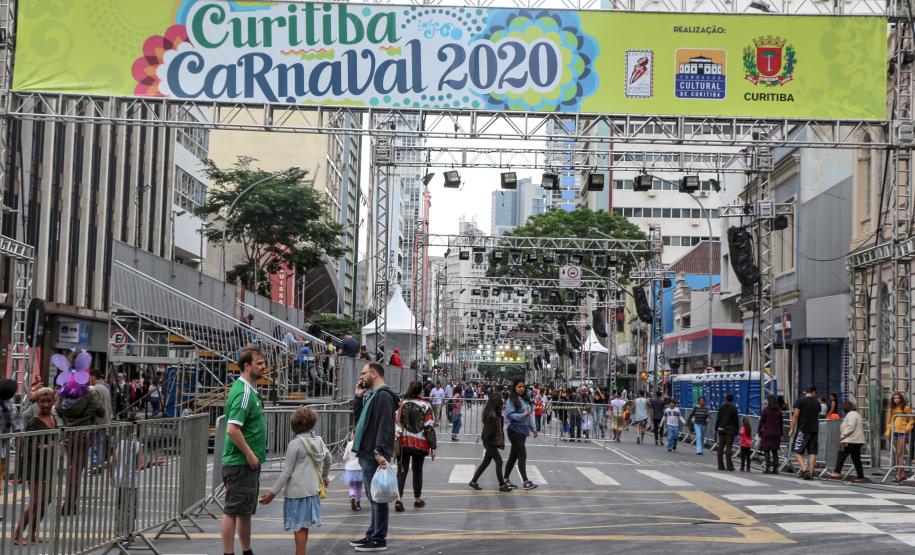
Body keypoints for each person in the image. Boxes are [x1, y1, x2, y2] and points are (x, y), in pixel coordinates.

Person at [260, 407, 331, 555]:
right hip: (312, 491)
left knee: (298, 527)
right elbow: (329, 459)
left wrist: (272, 493)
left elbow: (287, 472)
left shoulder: (295, 444)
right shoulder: (318, 441)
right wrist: (324, 477)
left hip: (297, 492)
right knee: (304, 526)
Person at [221, 347, 268, 555]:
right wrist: (249, 454)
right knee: (233, 511)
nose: (264, 367)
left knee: (244, 511)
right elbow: (232, 429)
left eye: (264, 362)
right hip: (240, 463)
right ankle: (229, 552)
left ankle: (246, 550)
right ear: (247, 366)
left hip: (245, 463)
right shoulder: (244, 392)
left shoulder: (248, 390)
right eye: (259, 363)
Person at [350, 362, 398, 552]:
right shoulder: (373, 396)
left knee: (377, 498)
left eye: (363, 373)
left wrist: (379, 451)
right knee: (373, 497)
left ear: (373, 373)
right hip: (367, 451)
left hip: (373, 453)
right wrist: (358, 398)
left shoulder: (383, 396)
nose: (361, 377)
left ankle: (378, 538)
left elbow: (384, 426)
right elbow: (359, 420)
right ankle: (372, 533)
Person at [111, 413, 166, 548]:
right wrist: (154, 463)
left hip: (119, 479)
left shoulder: (120, 443)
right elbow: (140, 465)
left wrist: (111, 477)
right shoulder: (137, 445)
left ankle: (118, 533)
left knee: (119, 507)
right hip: (131, 481)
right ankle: (128, 534)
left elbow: (114, 461)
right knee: (130, 509)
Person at [13, 387, 58, 545]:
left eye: (48, 401)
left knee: (47, 500)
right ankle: (18, 535)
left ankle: (31, 534)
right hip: (36, 467)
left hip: (49, 465)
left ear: (54, 401)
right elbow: (29, 446)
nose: (46, 404)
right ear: (37, 403)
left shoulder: (53, 418)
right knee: (36, 502)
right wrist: (44, 447)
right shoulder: (34, 421)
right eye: (42, 402)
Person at [394, 381, 437, 512]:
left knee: (402, 471)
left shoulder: (402, 403)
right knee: (417, 471)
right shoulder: (426, 405)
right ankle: (417, 500)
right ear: (420, 391)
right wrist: (432, 446)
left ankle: (398, 500)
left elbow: (396, 421)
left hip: (403, 442)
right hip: (420, 443)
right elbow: (429, 426)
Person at [469, 394, 510, 492]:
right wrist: (495, 441)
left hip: (488, 441)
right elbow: (489, 432)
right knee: (499, 461)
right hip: (489, 441)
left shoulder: (492, 412)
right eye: (501, 400)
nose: (502, 402)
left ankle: (473, 481)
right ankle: (501, 484)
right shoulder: (492, 415)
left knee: (486, 462)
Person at [503, 379, 539, 490]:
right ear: (514, 388)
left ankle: (505, 480)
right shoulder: (511, 400)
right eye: (519, 386)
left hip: (523, 431)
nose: (522, 388)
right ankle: (525, 481)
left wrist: (533, 429)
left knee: (513, 457)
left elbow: (529, 416)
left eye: (523, 387)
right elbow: (510, 415)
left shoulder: (525, 400)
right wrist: (522, 415)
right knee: (522, 455)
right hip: (514, 431)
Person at [828, 401, 868, 483]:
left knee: (841, 455)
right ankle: (861, 477)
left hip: (850, 440)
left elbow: (850, 427)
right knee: (856, 459)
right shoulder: (856, 414)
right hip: (856, 440)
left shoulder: (851, 414)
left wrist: (843, 435)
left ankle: (837, 472)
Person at [790, 385, 822, 481]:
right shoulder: (817, 403)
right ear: (813, 392)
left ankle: (805, 470)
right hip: (814, 429)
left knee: (796, 450)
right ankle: (811, 474)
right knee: (812, 452)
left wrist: (792, 428)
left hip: (803, 429)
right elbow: (818, 416)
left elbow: (796, 415)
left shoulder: (800, 401)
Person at [886, 391, 913, 482]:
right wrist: (888, 431)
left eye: (898, 398)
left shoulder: (906, 408)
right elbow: (889, 421)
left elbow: (911, 420)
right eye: (895, 398)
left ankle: (898, 474)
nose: (896, 399)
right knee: (898, 454)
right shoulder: (892, 408)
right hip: (894, 432)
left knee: (900, 453)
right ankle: (902, 474)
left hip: (902, 432)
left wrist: (908, 427)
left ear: (901, 398)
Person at [0, 378, 22, 485]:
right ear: (12, 394)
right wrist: (22, 448)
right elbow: (18, 430)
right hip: (2, 452)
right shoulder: (12, 408)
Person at [758, 395, 784, 474]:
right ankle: (775, 469)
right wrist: (781, 434)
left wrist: (759, 431)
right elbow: (781, 424)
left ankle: (768, 468)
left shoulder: (765, 410)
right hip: (776, 433)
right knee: (775, 451)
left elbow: (761, 422)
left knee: (766, 450)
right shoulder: (779, 411)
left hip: (767, 433)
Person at [715, 393, 739, 472]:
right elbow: (736, 420)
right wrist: (737, 429)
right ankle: (729, 466)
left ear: (726, 399)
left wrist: (716, 428)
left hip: (721, 429)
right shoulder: (734, 408)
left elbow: (718, 419)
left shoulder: (721, 407)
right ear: (732, 400)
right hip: (730, 430)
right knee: (729, 447)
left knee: (720, 447)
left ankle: (720, 465)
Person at [341, 430, 364, 511]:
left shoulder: (349, 444)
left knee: (352, 486)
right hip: (360, 468)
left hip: (350, 468)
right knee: (358, 487)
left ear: (354, 434)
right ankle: (358, 503)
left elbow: (345, 458)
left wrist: (346, 459)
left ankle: (352, 496)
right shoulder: (362, 444)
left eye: (351, 433)